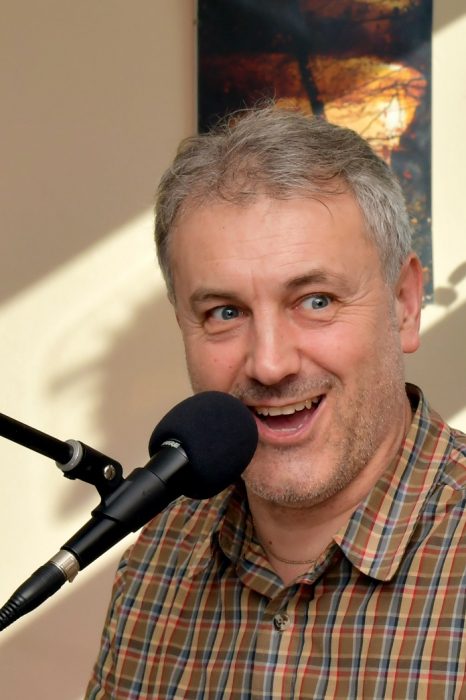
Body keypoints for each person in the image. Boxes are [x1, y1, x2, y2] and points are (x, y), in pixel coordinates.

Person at [85, 106, 466, 699]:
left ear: (405, 305)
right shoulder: (157, 557)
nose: (269, 364)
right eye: (225, 312)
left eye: (316, 301)